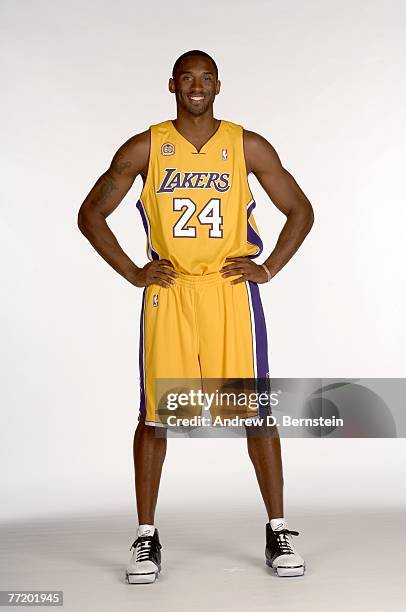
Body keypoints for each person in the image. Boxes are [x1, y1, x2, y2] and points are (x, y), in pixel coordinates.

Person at [78, 49, 314, 584]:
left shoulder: (246, 145)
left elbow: (301, 210)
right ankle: (145, 535)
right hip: (172, 291)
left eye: (206, 78)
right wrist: (134, 273)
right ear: (171, 85)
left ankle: (278, 528)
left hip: (231, 292)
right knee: (156, 415)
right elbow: (90, 213)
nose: (197, 86)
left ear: (219, 85)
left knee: (255, 411)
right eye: (187, 78)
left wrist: (270, 267)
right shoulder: (147, 147)